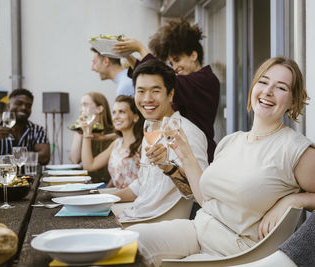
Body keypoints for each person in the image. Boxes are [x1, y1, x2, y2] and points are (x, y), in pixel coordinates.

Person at [127, 57, 315, 267]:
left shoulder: (294, 149)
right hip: (198, 229)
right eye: (263, 82)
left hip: (234, 252)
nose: (268, 91)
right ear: (253, 88)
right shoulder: (231, 141)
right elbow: (205, 200)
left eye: (281, 87)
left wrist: (296, 199)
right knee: (127, 243)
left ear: (293, 102)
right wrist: (185, 154)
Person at [110, 59, 208, 220]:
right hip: (135, 214)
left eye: (155, 91)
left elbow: (200, 192)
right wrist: (106, 198)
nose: (147, 99)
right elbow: (142, 184)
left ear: (170, 94)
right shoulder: (150, 127)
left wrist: (169, 167)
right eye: (140, 91)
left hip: (156, 223)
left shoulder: (187, 133)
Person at [113, 18, 220, 162]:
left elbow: (162, 77)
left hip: (197, 154)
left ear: (193, 56)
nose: (174, 67)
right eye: (171, 63)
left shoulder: (205, 80)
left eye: (177, 60)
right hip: (178, 150)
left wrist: (140, 48)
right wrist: (127, 55)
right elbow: (153, 76)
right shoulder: (189, 81)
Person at [80, 95, 144, 189]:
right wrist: (86, 133)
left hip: (135, 200)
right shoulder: (117, 144)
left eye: (121, 112)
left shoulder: (142, 145)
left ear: (135, 117)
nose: (116, 117)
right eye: (114, 112)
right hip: (117, 198)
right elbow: (89, 165)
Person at [0, 88, 50, 164]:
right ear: (8, 106)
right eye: (19, 103)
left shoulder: (38, 130)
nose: (24, 107)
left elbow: (45, 157)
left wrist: (7, 159)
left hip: (28, 175)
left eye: (28, 105)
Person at [69, 92, 116, 183]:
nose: (81, 110)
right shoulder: (80, 132)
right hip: (87, 182)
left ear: (99, 109)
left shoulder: (114, 132)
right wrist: (81, 130)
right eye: (81, 106)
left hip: (107, 183)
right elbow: (75, 159)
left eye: (85, 105)